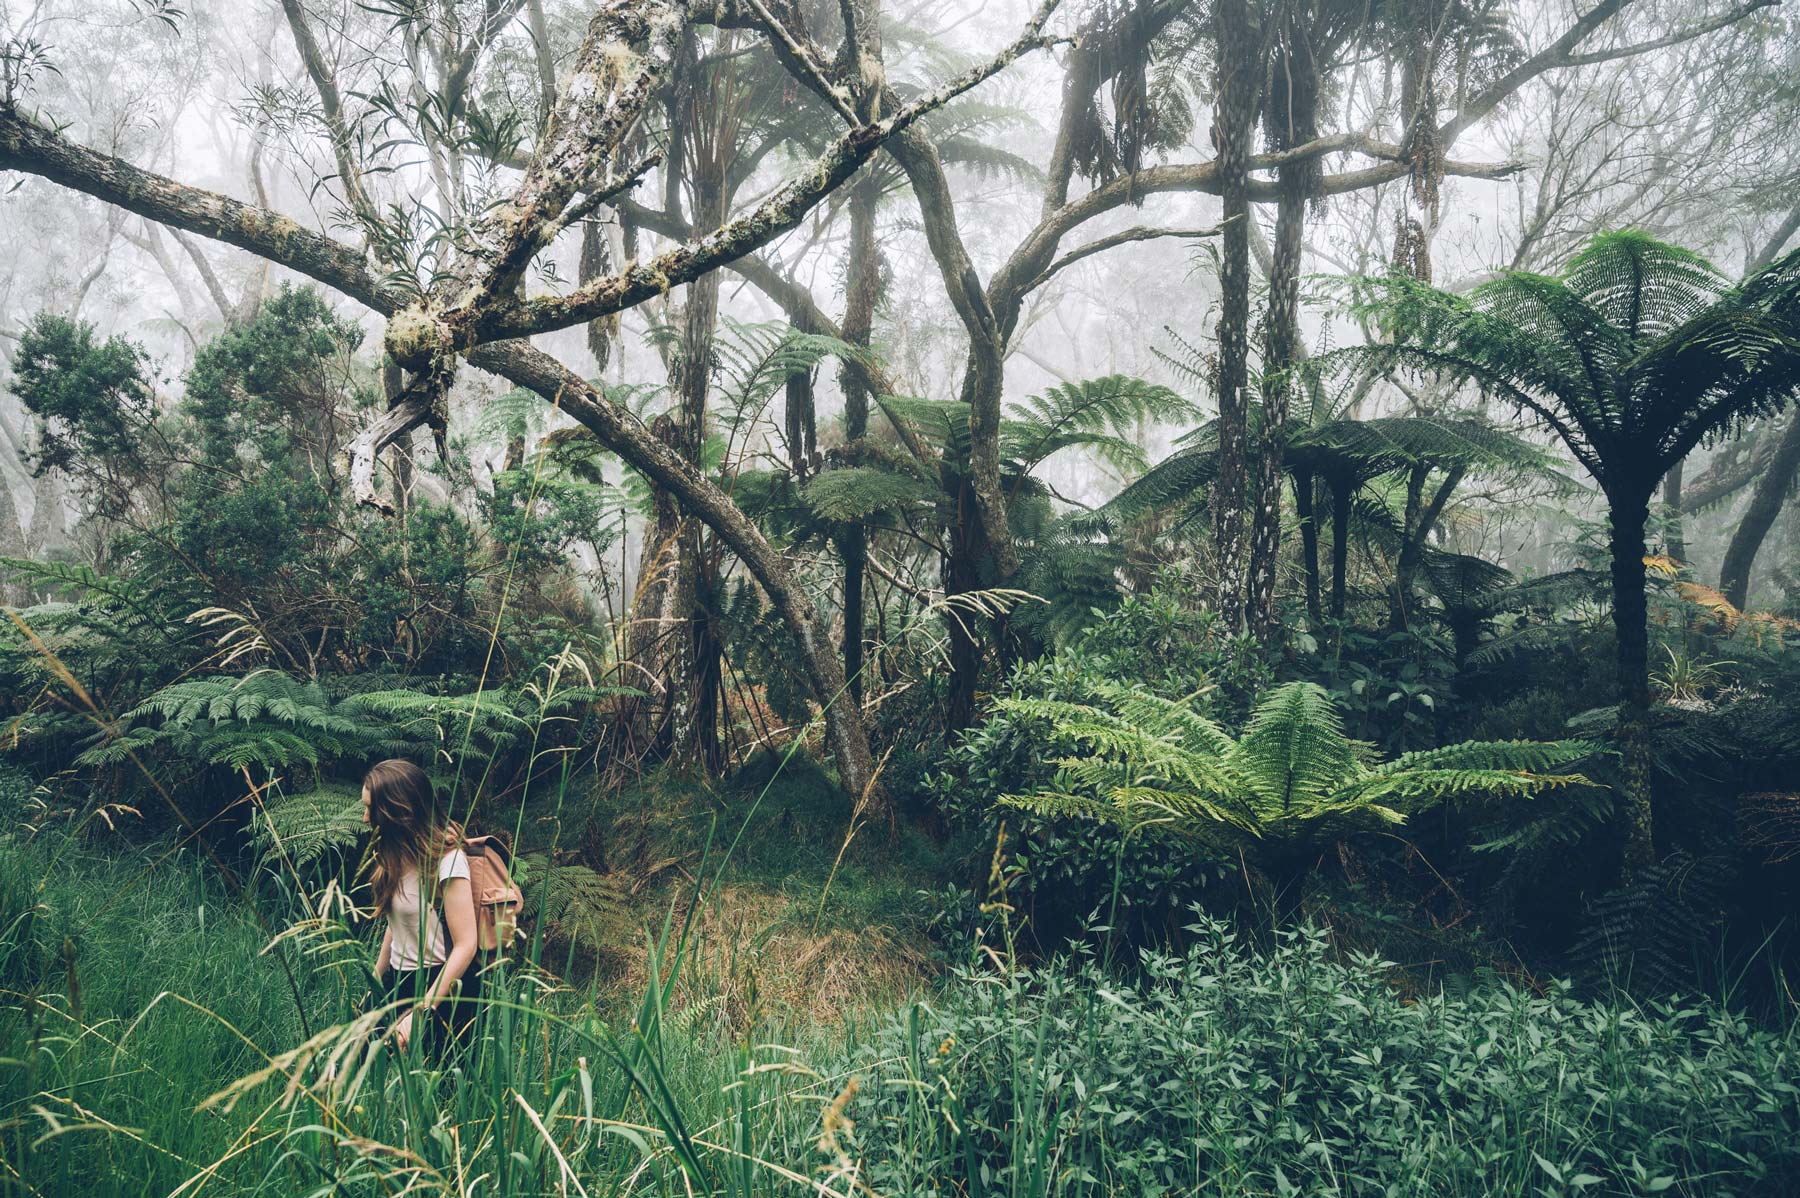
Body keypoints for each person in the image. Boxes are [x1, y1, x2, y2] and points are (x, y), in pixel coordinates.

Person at [361, 758, 480, 1055]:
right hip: (398, 981)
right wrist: (375, 984)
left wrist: (422, 1011)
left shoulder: (447, 862)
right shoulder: (394, 856)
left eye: (370, 809)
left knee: (439, 1095)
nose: (364, 818)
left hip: (444, 989)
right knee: (357, 1069)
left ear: (396, 812)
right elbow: (397, 926)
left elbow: (466, 944)